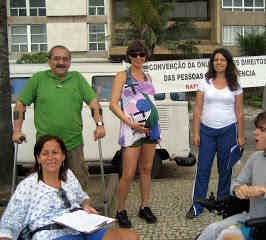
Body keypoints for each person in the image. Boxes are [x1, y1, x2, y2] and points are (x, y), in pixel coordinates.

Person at [0, 135, 139, 240]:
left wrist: (86, 206)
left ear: (63, 156)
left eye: (55, 152)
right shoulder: (27, 186)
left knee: (130, 236)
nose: (50, 157)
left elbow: (83, 198)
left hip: (82, 228)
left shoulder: (68, 175)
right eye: (45, 153)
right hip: (51, 233)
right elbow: (8, 226)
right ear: (38, 158)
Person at [197, 111, 266, 240]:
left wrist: (265, 192)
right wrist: (238, 189)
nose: (255, 132)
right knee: (211, 231)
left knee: (226, 236)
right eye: (256, 128)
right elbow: (235, 184)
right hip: (250, 218)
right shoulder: (255, 158)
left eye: (262, 129)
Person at [11, 45, 105, 188]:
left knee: (77, 186)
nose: (61, 62)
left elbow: (94, 103)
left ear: (69, 62)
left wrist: (99, 125)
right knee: (45, 187)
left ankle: (77, 210)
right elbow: (20, 104)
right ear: (49, 61)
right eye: (56, 59)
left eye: (65, 59)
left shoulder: (77, 79)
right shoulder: (38, 79)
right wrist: (17, 130)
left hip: (73, 145)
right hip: (46, 146)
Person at [186, 48, 245, 219]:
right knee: (203, 169)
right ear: (212, 63)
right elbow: (197, 110)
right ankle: (197, 205)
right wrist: (195, 133)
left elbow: (240, 113)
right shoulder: (205, 82)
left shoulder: (236, 84)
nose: (219, 62)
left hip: (228, 131)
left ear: (228, 63)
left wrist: (240, 136)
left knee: (225, 169)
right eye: (216, 60)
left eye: (222, 60)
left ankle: (222, 203)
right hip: (206, 131)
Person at [109, 40, 160, 228]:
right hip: (131, 129)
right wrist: (131, 123)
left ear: (146, 56)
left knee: (146, 169)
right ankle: (121, 210)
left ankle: (144, 206)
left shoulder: (148, 76)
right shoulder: (122, 76)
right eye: (135, 54)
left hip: (151, 128)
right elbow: (113, 104)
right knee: (128, 173)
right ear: (129, 56)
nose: (139, 58)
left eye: (142, 54)